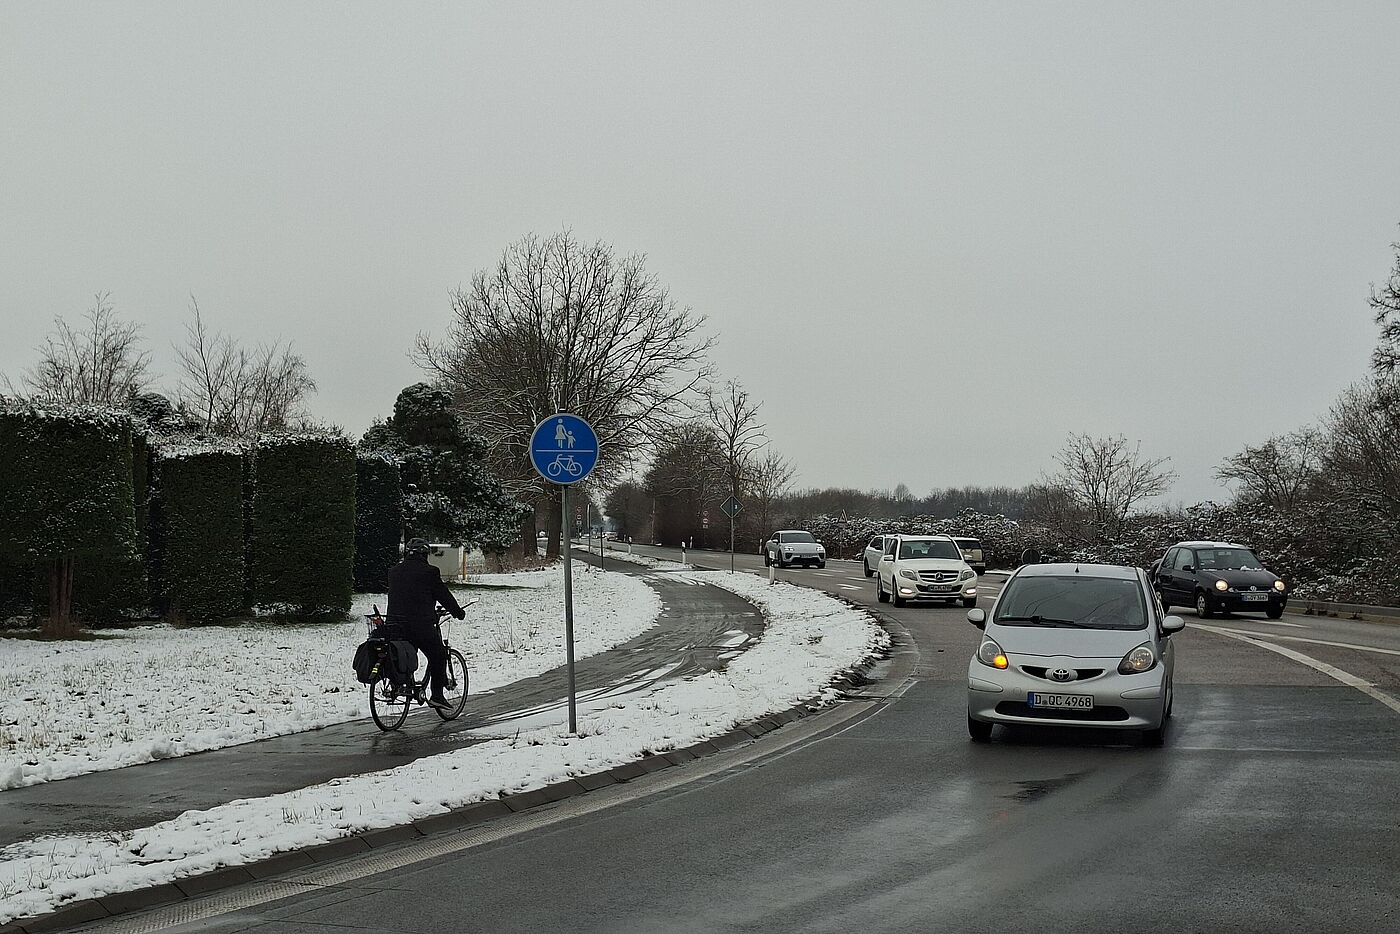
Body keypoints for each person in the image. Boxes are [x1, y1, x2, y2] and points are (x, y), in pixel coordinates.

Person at [386, 538, 465, 710]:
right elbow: (443, 595)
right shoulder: (430, 572)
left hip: (394, 625)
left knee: (405, 655)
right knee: (438, 655)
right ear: (424, 554)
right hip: (419, 625)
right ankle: (437, 695)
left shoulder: (394, 572)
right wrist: (457, 612)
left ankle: (400, 684)